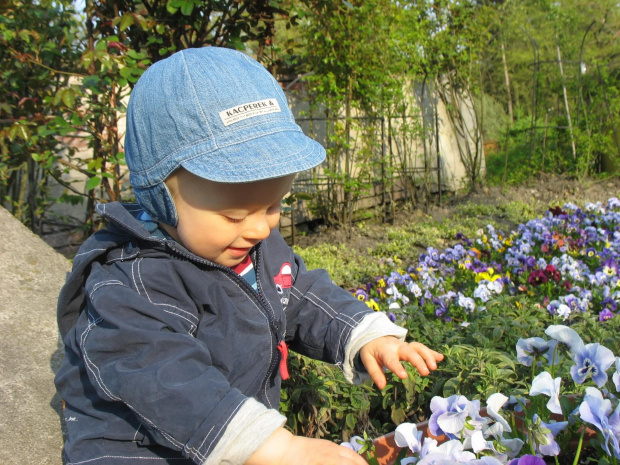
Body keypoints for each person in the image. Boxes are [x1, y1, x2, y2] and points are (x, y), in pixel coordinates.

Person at [54, 46, 443, 465]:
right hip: (141, 447)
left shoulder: (243, 242)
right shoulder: (132, 283)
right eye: (234, 214)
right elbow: (168, 380)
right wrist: (277, 448)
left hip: (230, 438)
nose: (261, 228)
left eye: (274, 205)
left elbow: (298, 293)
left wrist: (364, 334)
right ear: (162, 198)